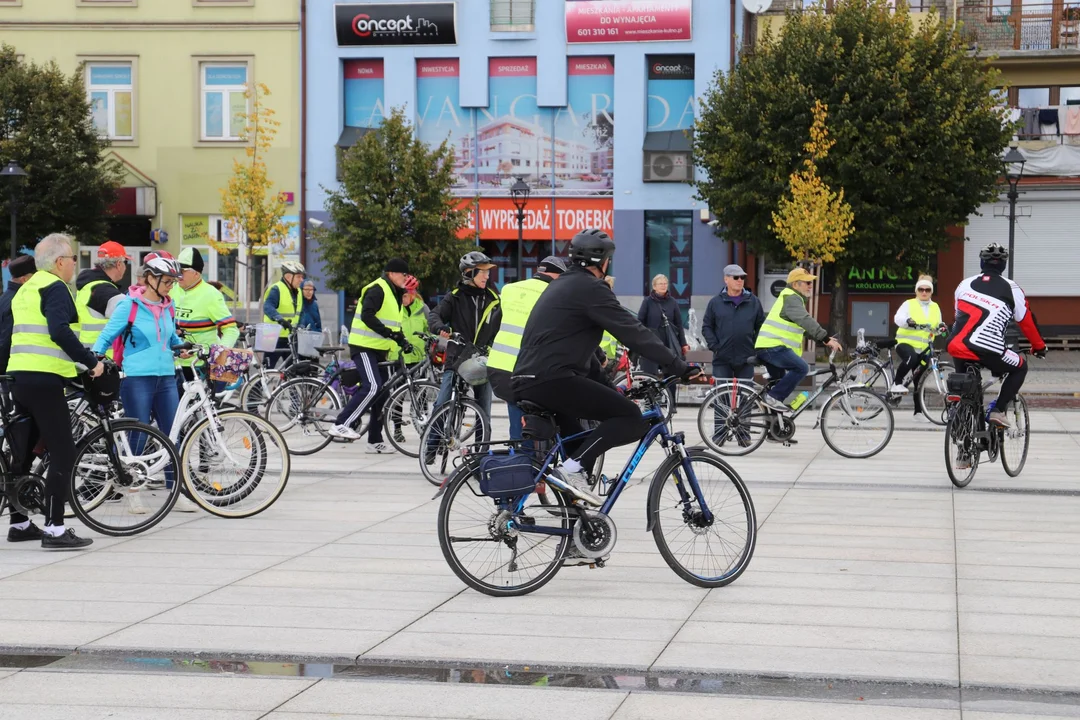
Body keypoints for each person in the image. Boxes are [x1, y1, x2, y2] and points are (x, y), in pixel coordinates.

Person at [512, 229, 697, 504]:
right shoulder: (590, 288)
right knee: (631, 419)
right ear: (602, 262)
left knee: (579, 450)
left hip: (530, 379)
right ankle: (570, 471)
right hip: (553, 379)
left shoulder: (562, 284)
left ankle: (577, 533)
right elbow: (633, 330)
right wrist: (678, 365)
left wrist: (610, 390)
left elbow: (583, 355)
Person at [5, 233, 102, 548]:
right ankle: (55, 529)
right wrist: (90, 362)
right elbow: (58, 331)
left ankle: (19, 523)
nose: (75, 263)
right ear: (60, 261)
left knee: (24, 452)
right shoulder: (55, 286)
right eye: (73, 257)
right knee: (63, 452)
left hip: (21, 377)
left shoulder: (25, 290)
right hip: (45, 381)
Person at [93, 251, 197, 514]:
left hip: (166, 377)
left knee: (172, 434)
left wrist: (180, 348)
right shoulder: (129, 306)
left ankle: (176, 491)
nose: (170, 286)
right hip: (137, 378)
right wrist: (95, 362)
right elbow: (105, 339)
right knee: (138, 434)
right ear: (150, 278)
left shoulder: (168, 305)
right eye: (166, 281)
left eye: (173, 282)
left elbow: (170, 339)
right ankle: (133, 490)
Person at [948, 243, 1046, 432]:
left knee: (964, 390)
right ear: (1003, 266)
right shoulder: (1012, 288)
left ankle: (962, 448)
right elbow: (1026, 321)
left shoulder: (963, 285)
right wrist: (1039, 346)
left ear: (981, 263)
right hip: (988, 347)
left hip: (957, 345)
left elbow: (957, 315)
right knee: (1019, 367)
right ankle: (998, 411)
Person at [328, 258, 412, 450]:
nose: (405, 278)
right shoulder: (378, 288)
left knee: (382, 393)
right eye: (403, 274)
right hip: (363, 346)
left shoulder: (395, 293)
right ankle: (341, 424)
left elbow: (392, 324)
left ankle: (375, 440)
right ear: (391, 273)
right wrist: (389, 333)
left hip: (380, 349)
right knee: (373, 386)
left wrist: (401, 340)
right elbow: (367, 315)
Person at [487, 255, 568, 441]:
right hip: (530, 370)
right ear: (557, 276)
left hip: (499, 368)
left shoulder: (510, 289)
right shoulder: (554, 294)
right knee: (543, 420)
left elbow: (493, 326)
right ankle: (530, 461)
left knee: (518, 419)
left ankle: (519, 460)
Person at [754, 267, 843, 414]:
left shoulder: (792, 299)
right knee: (801, 368)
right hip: (772, 347)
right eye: (807, 282)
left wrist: (822, 339)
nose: (810, 285)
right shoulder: (791, 297)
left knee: (778, 390)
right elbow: (805, 320)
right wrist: (825, 338)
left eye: (811, 282)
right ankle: (772, 398)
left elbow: (802, 327)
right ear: (795, 284)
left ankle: (776, 431)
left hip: (770, 347)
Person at [431, 251, 502, 420]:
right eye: (482, 271)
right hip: (457, 358)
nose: (486, 276)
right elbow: (435, 315)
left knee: (484, 413)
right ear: (469, 273)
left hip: (482, 359)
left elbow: (500, 329)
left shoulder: (493, 300)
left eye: (487, 272)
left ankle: (482, 447)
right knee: (441, 404)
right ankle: (431, 446)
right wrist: (439, 327)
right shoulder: (455, 297)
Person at [173, 247, 239, 390]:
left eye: (182, 271)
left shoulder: (211, 295)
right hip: (173, 364)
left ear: (196, 273)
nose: (178, 275)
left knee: (200, 410)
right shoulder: (172, 289)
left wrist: (217, 355)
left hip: (199, 366)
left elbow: (231, 330)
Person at [387, 275, 433, 442]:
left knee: (421, 395)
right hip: (398, 357)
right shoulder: (394, 308)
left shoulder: (422, 308)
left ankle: (424, 428)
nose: (403, 298)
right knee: (397, 395)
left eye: (405, 295)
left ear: (413, 294)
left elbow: (430, 329)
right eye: (401, 295)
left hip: (418, 358)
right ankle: (397, 428)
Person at [702, 264, 765, 381]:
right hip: (722, 358)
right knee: (721, 396)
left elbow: (761, 326)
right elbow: (707, 327)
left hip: (746, 358)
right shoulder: (715, 302)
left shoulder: (754, 301)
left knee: (746, 397)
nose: (740, 280)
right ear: (726, 279)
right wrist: (715, 347)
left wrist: (755, 347)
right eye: (736, 277)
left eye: (742, 277)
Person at [892, 275, 949, 405]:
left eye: (927, 290)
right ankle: (897, 383)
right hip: (905, 342)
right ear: (916, 291)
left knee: (919, 379)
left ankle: (919, 412)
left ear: (931, 292)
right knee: (910, 357)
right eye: (921, 289)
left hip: (924, 348)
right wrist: (907, 321)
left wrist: (942, 328)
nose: (924, 292)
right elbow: (897, 318)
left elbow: (936, 327)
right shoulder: (908, 304)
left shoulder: (935, 307)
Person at [75, 241, 129, 352]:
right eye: (126, 262)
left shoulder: (90, 285)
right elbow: (134, 316)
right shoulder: (105, 291)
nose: (126, 267)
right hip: (104, 360)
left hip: (88, 355)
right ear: (119, 264)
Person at [636, 273, 689, 376]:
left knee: (671, 374)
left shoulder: (672, 302)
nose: (663, 286)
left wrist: (683, 343)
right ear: (654, 286)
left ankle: (669, 392)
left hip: (669, 342)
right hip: (652, 343)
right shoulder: (647, 302)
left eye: (665, 283)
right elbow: (640, 321)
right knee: (650, 374)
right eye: (660, 284)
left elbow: (679, 325)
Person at [261, 260, 305, 367]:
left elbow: (300, 313)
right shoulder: (277, 289)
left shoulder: (298, 292)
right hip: (273, 336)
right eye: (298, 276)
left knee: (292, 370)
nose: (301, 279)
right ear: (289, 276)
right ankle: (259, 384)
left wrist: (302, 326)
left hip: (290, 337)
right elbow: (268, 307)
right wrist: (280, 319)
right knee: (267, 370)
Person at [0, 254, 37, 374]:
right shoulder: (19, 300)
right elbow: (7, 340)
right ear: (24, 279)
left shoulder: (5, 297)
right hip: (11, 370)